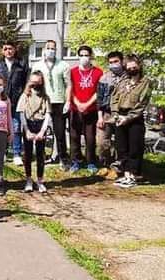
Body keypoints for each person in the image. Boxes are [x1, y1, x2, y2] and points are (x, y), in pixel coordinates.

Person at [112, 55, 152, 189]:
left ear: (139, 66)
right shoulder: (123, 81)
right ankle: (126, 174)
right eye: (128, 66)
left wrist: (128, 118)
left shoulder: (146, 82)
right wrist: (116, 115)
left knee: (135, 148)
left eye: (134, 66)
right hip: (120, 117)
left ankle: (134, 176)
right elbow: (114, 98)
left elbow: (142, 103)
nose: (131, 69)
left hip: (134, 119)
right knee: (122, 148)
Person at [66, 45, 104, 174]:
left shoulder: (98, 72)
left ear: (91, 56)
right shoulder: (73, 71)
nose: (84, 58)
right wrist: (77, 103)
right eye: (81, 55)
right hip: (75, 109)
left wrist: (87, 104)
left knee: (90, 137)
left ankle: (91, 161)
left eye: (86, 55)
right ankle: (75, 161)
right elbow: (70, 89)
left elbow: (99, 91)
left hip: (91, 109)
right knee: (74, 136)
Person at [32, 40, 69, 170]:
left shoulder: (63, 65)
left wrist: (68, 101)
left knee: (59, 132)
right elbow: (33, 84)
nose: (50, 50)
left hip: (58, 101)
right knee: (41, 131)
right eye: (48, 48)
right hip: (42, 101)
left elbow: (68, 85)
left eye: (53, 48)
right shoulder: (37, 65)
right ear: (43, 49)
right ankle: (41, 157)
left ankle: (63, 158)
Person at [0, 43, 28, 167]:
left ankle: (17, 153)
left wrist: (24, 96)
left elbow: (26, 82)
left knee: (16, 127)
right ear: (2, 51)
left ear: (14, 50)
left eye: (10, 48)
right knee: (2, 128)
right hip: (1, 100)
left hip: (17, 101)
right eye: (6, 49)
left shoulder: (21, 63)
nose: (8, 51)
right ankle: (3, 152)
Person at [18, 71, 52, 193]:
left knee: (40, 155)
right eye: (33, 82)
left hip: (40, 125)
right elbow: (21, 113)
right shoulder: (25, 95)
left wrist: (42, 131)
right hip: (28, 124)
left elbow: (48, 114)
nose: (35, 84)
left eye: (37, 82)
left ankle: (40, 180)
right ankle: (28, 179)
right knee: (27, 154)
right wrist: (27, 130)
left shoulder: (45, 97)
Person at [96, 51, 125, 178]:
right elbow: (100, 98)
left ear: (122, 61)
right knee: (102, 142)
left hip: (122, 114)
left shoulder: (128, 77)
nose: (113, 65)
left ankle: (117, 167)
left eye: (116, 62)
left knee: (120, 142)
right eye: (111, 62)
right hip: (106, 113)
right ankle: (105, 164)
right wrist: (100, 117)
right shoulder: (104, 78)